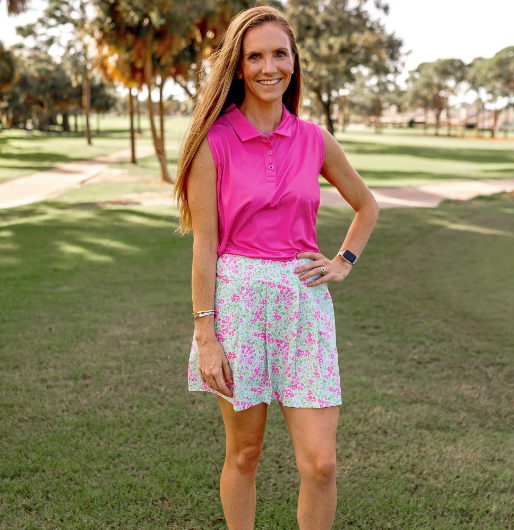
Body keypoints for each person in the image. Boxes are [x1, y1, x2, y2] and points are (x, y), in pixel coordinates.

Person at [174, 6, 379, 529]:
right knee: (245, 454)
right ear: (238, 67)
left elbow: (366, 204)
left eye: (280, 54)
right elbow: (204, 245)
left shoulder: (314, 139)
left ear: (294, 62)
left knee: (322, 463)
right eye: (255, 56)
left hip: (303, 307)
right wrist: (205, 335)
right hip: (237, 305)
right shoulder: (212, 142)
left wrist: (342, 261)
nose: (270, 67)